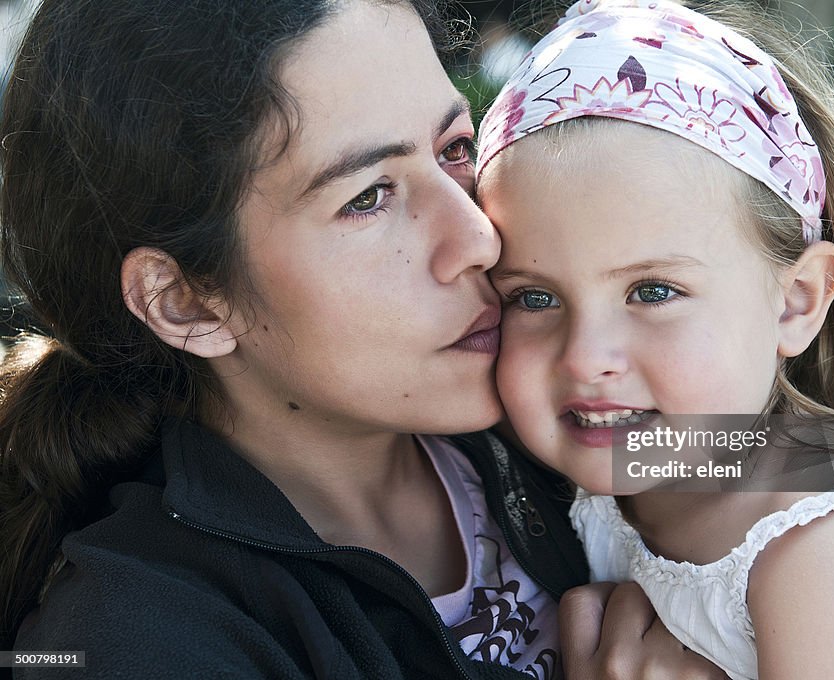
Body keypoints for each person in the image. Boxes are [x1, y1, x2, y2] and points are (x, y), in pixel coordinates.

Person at [0, 1, 729, 678]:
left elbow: (807, 461)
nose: (477, 237)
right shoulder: (137, 639)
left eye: (453, 147)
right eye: (368, 197)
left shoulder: (544, 399)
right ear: (188, 302)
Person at [475, 0, 834, 677]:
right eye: (534, 298)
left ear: (795, 303)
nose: (585, 357)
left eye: (652, 292)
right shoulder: (597, 493)